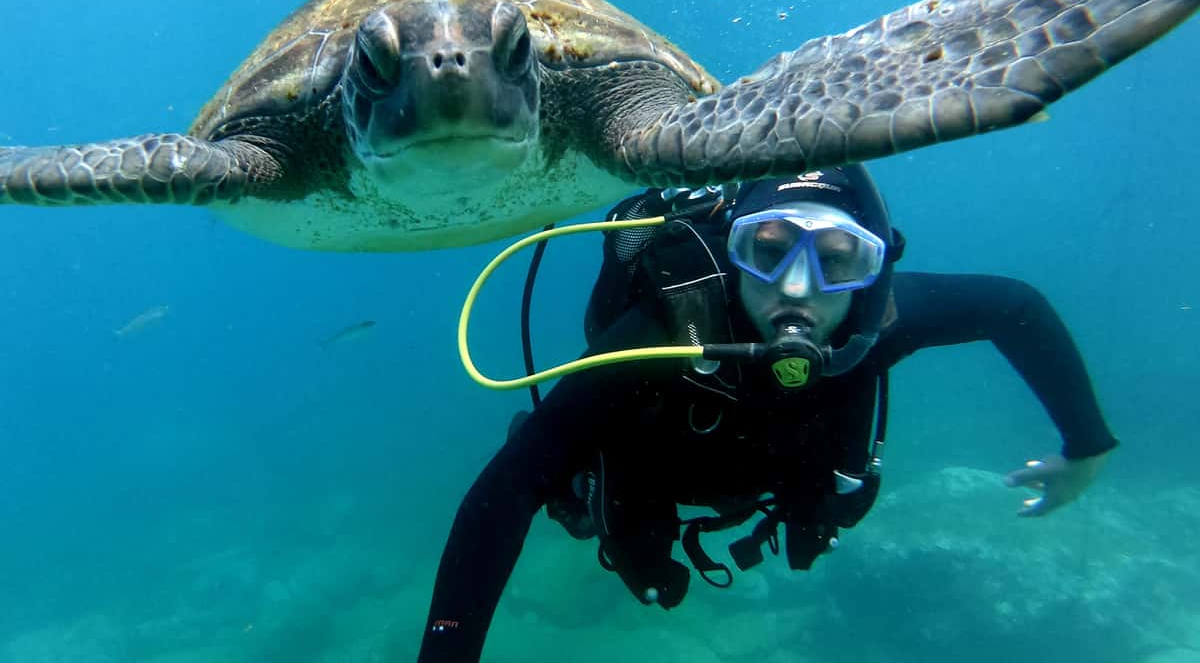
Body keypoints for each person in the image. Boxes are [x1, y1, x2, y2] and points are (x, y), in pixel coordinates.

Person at [417, 165, 1118, 663]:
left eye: (838, 261)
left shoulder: (883, 318)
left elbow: (1014, 307)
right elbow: (505, 489)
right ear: (732, 252)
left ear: (872, 273)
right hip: (657, 465)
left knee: (826, 505)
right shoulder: (664, 330)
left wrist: (1086, 445)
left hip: (784, 469)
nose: (798, 288)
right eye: (770, 250)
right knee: (581, 507)